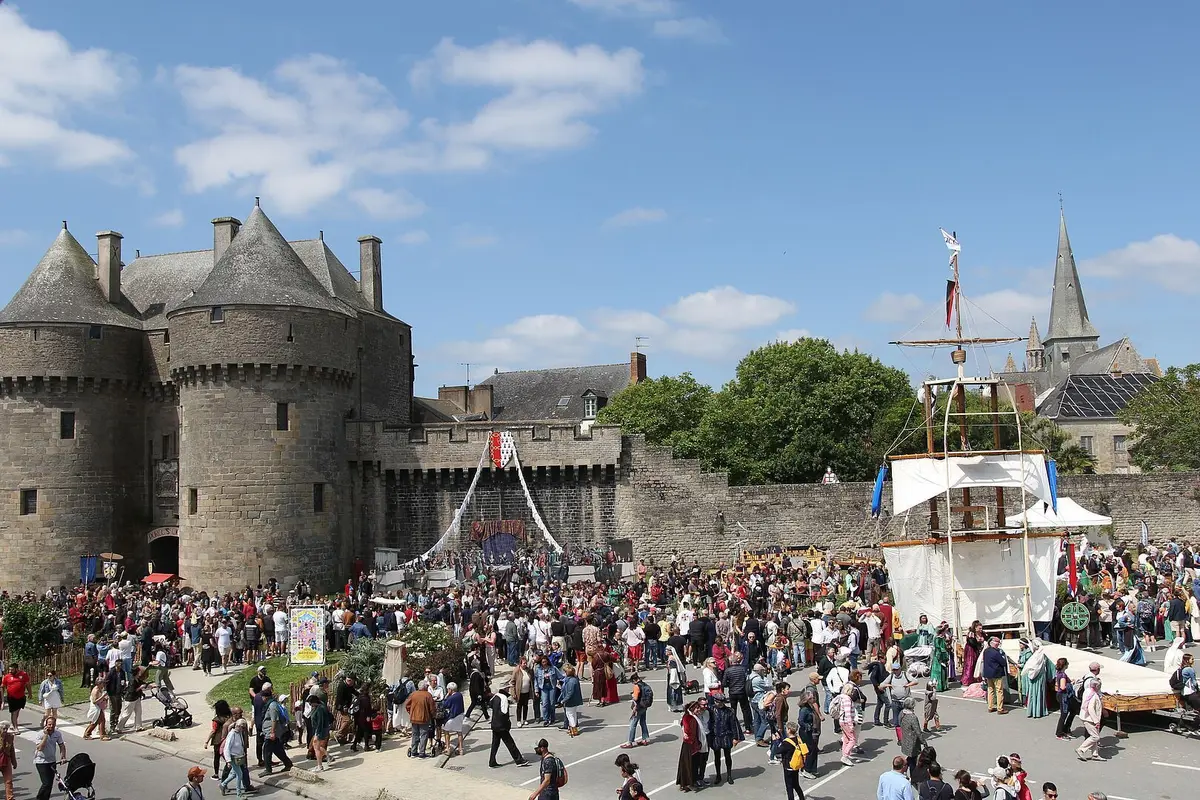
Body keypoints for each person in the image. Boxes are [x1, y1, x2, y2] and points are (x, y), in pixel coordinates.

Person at [488, 686, 530, 769]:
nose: (508, 689)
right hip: (501, 725)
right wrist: (507, 724)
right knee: (510, 743)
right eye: (507, 688)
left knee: (495, 744)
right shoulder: (503, 698)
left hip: (495, 724)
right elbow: (504, 712)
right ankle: (519, 760)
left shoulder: (495, 696)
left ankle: (492, 761)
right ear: (504, 689)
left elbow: (490, 705)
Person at [261, 685, 293, 775]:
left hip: (271, 732)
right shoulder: (270, 704)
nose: (262, 699)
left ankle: (268, 769)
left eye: (263, 697)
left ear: (266, 697)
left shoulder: (272, 706)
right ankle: (288, 764)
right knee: (277, 749)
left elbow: (274, 720)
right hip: (270, 731)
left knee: (266, 751)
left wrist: (272, 732)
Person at [34, 716, 66, 800]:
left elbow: (62, 745)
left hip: (52, 761)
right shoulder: (40, 734)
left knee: (49, 784)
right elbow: (40, 748)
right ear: (46, 724)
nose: (51, 726)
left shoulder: (57, 734)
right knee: (46, 783)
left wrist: (63, 757)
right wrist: (45, 735)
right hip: (41, 761)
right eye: (49, 724)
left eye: (53, 724)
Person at [405, 679, 437, 758]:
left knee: (415, 734)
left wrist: (411, 712)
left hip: (414, 718)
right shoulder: (428, 695)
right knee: (423, 735)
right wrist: (433, 715)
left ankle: (414, 751)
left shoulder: (413, 694)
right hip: (424, 718)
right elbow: (432, 708)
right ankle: (422, 752)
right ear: (425, 687)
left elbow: (407, 705)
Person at [1076, 675, 1105, 761]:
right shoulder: (1094, 695)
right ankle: (1081, 749)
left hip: (1085, 716)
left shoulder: (1087, 691)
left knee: (1094, 735)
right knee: (1095, 737)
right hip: (1089, 719)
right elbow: (1091, 708)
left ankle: (1095, 754)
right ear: (1096, 686)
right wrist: (1096, 721)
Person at [777, 721, 806, 800]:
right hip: (796, 765)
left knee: (789, 787)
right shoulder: (798, 739)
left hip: (788, 766)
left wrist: (777, 740)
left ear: (789, 730)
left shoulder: (786, 742)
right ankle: (802, 798)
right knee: (796, 784)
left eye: (786, 729)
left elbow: (778, 751)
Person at [980, 637, 1009, 714]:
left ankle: (990, 707)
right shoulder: (996, 652)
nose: (998, 644)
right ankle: (1000, 708)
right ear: (993, 643)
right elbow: (1003, 662)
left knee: (990, 690)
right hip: (996, 673)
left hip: (988, 673)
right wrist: (1002, 656)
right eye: (997, 643)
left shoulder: (986, 651)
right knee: (999, 690)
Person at [82, 665, 110, 740]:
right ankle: (102, 735)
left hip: (99, 707)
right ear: (99, 684)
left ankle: (87, 734)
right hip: (95, 707)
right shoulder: (95, 690)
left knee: (97, 721)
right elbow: (94, 701)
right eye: (102, 683)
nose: (104, 684)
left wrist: (104, 699)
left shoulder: (100, 689)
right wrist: (103, 696)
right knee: (100, 720)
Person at [1052, 658, 1076, 740]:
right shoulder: (1062, 675)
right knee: (1064, 714)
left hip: (1061, 695)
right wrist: (1070, 684)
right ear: (1065, 665)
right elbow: (1062, 687)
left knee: (1072, 711)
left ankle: (1065, 729)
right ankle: (1059, 733)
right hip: (1063, 696)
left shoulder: (1059, 673)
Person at [441, 682, 466, 757]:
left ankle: (448, 748)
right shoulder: (460, 695)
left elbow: (445, 705)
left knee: (446, 731)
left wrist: (446, 696)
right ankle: (461, 749)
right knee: (459, 732)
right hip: (460, 715)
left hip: (453, 717)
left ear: (450, 690)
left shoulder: (451, 698)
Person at [2, 664, 30, 729]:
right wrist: (3, 700)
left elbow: (27, 684)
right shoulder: (7, 676)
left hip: (21, 697)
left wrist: (30, 693)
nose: (10, 671)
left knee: (16, 711)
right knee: (14, 712)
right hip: (11, 697)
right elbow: (2, 687)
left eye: (12, 670)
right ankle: (15, 727)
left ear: (16, 669)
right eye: (9, 669)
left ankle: (13, 723)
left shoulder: (23, 674)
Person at [0, 720, 16, 800]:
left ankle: (10, 798)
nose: (5, 730)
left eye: (7, 728)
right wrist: (2, 738)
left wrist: (14, 762)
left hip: (6, 760)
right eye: (3, 729)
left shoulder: (10, 737)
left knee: (8, 780)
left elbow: (12, 749)